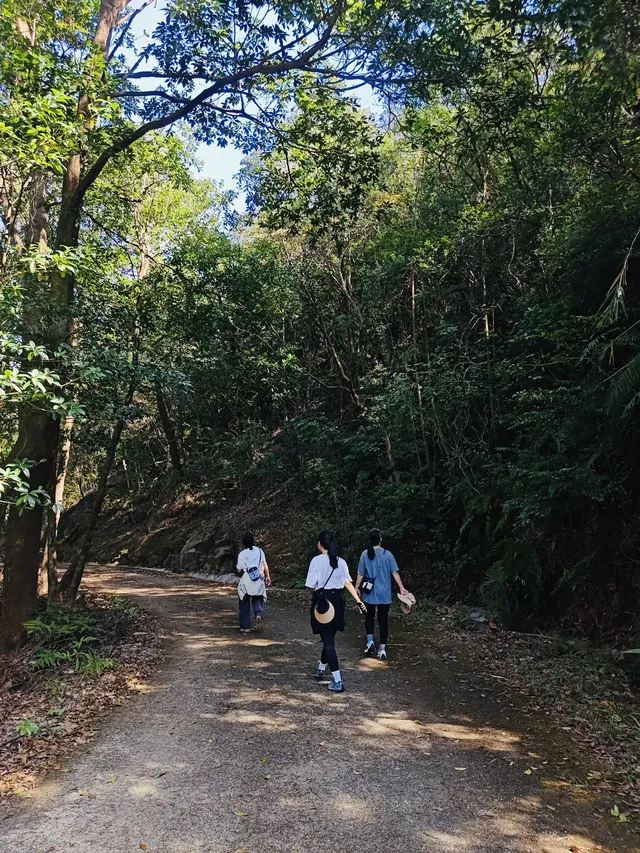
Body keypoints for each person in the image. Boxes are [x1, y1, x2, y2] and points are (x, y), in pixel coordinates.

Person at [306, 530, 366, 693]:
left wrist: (313, 598)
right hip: (338, 602)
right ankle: (321, 668)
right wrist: (358, 601)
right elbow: (347, 583)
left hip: (324, 603)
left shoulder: (316, 561)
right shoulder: (341, 562)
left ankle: (338, 681)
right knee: (329, 638)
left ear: (319, 545)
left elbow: (311, 586)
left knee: (328, 641)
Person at [355, 529, 410, 661]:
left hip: (369, 593)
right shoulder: (388, 555)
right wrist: (402, 588)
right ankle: (382, 649)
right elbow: (395, 573)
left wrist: (357, 587)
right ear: (380, 539)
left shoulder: (365, 554)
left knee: (369, 617)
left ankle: (370, 642)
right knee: (383, 620)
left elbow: (360, 573)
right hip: (384, 593)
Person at [237, 532, 271, 634]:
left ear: (243, 543)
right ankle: (258, 615)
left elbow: (239, 568)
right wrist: (268, 576)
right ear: (253, 541)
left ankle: (245, 626)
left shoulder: (242, 554)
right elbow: (265, 564)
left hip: (247, 580)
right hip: (259, 579)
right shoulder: (260, 551)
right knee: (257, 599)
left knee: (244, 602)